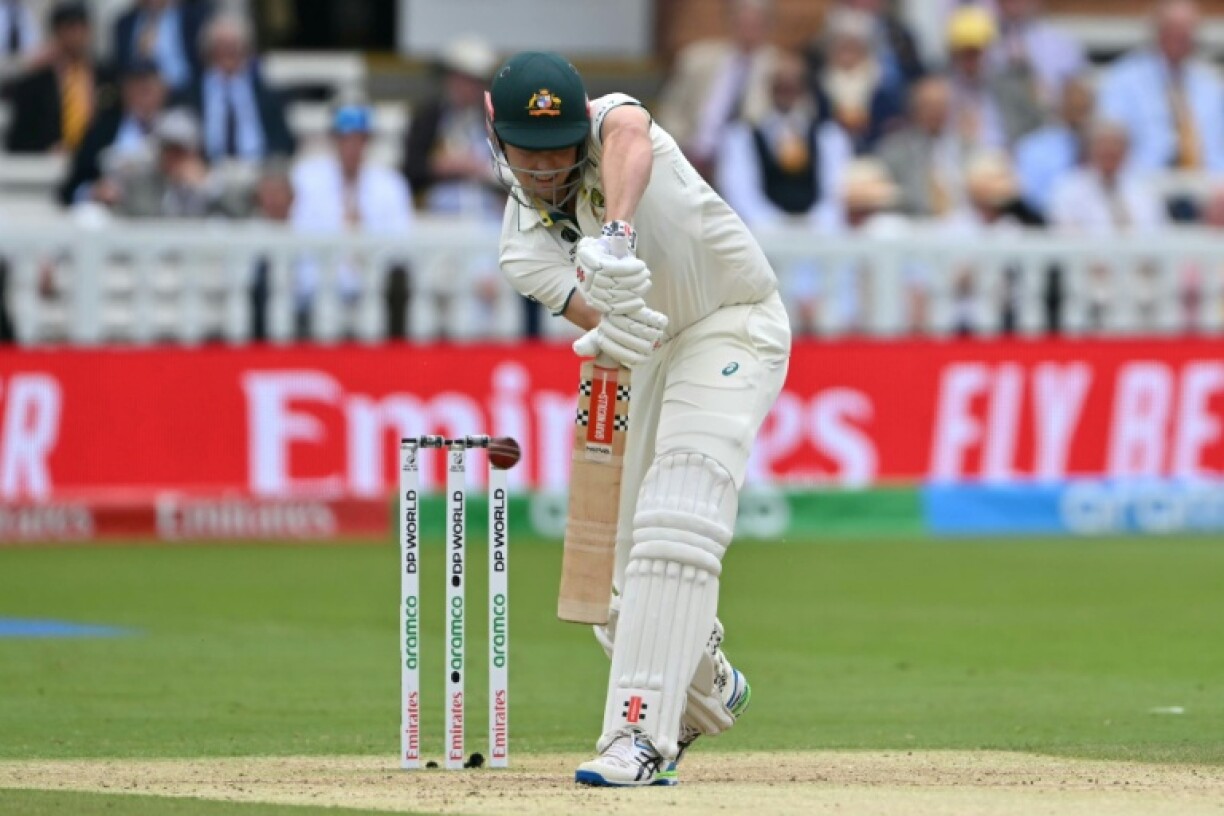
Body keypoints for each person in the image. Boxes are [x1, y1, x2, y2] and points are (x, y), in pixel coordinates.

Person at [488, 51, 790, 786]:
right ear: (497, 140)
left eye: (560, 149)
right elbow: (603, 316)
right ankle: (707, 681)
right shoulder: (523, 249)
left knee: (680, 515)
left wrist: (616, 236)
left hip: (731, 322)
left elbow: (626, 132)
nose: (548, 168)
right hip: (653, 357)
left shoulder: (615, 126)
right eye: (530, 155)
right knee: (613, 584)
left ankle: (640, 737)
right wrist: (612, 319)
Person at [290, 103, 413, 338]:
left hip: (375, 293)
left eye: (359, 140)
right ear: (333, 141)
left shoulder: (391, 185)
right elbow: (299, 242)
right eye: (344, 139)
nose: (351, 147)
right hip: (319, 294)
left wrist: (362, 236)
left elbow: (402, 248)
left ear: (368, 142)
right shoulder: (306, 180)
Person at [1097, 0, 1224, 175]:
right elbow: (1110, 142)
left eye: (1187, 30)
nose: (1181, 36)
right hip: (1143, 184)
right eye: (1173, 29)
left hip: (1208, 186)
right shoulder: (1123, 80)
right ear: (1157, 31)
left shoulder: (1210, 83)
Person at [656, 0, 780, 178]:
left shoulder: (778, 68)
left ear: (768, 26)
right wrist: (682, 146)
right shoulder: (696, 59)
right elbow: (670, 111)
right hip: (691, 154)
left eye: (755, 24)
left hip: (746, 165)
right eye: (743, 23)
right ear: (731, 22)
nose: (748, 31)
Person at [184, 11, 295, 164]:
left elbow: (284, 143)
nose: (228, 53)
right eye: (221, 46)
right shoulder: (190, 94)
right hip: (206, 173)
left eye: (234, 46)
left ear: (246, 50)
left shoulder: (267, 94)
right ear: (208, 51)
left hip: (259, 171)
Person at [3, 1, 114, 154]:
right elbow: (18, 139)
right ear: (56, 33)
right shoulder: (34, 83)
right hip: (48, 165)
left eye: (81, 27)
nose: (76, 36)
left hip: (94, 163)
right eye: (69, 28)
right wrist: (47, 149)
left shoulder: (106, 76)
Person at [59, 57, 167, 207]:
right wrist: (94, 192)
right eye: (136, 85)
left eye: (148, 86)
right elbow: (69, 189)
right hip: (112, 218)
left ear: (163, 90)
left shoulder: (179, 130)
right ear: (124, 90)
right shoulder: (102, 130)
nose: (143, 92)